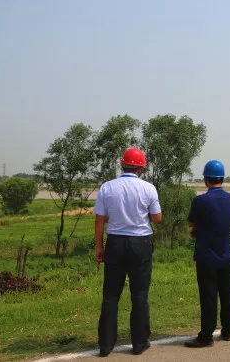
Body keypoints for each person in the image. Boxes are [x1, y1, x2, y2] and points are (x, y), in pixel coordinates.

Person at [94, 147, 162, 357]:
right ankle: (139, 343)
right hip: (140, 244)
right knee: (139, 295)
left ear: (122, 164)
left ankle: (106, 345)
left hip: (115, 243)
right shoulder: (148, 188)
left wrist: (99, 247)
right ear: (141, 168)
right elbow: (157, 218)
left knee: (110, 295)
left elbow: (99, 221)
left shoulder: (107, 187)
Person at [185, 159, 230, 348]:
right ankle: (228, 331)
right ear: (222, 178)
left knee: (208, 296)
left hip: (206, 256)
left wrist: (196, 230)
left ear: (206, 179)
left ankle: (206, 336)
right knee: (227, 293)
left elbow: (192, 223)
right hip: (225, 255)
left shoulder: (200, 201)